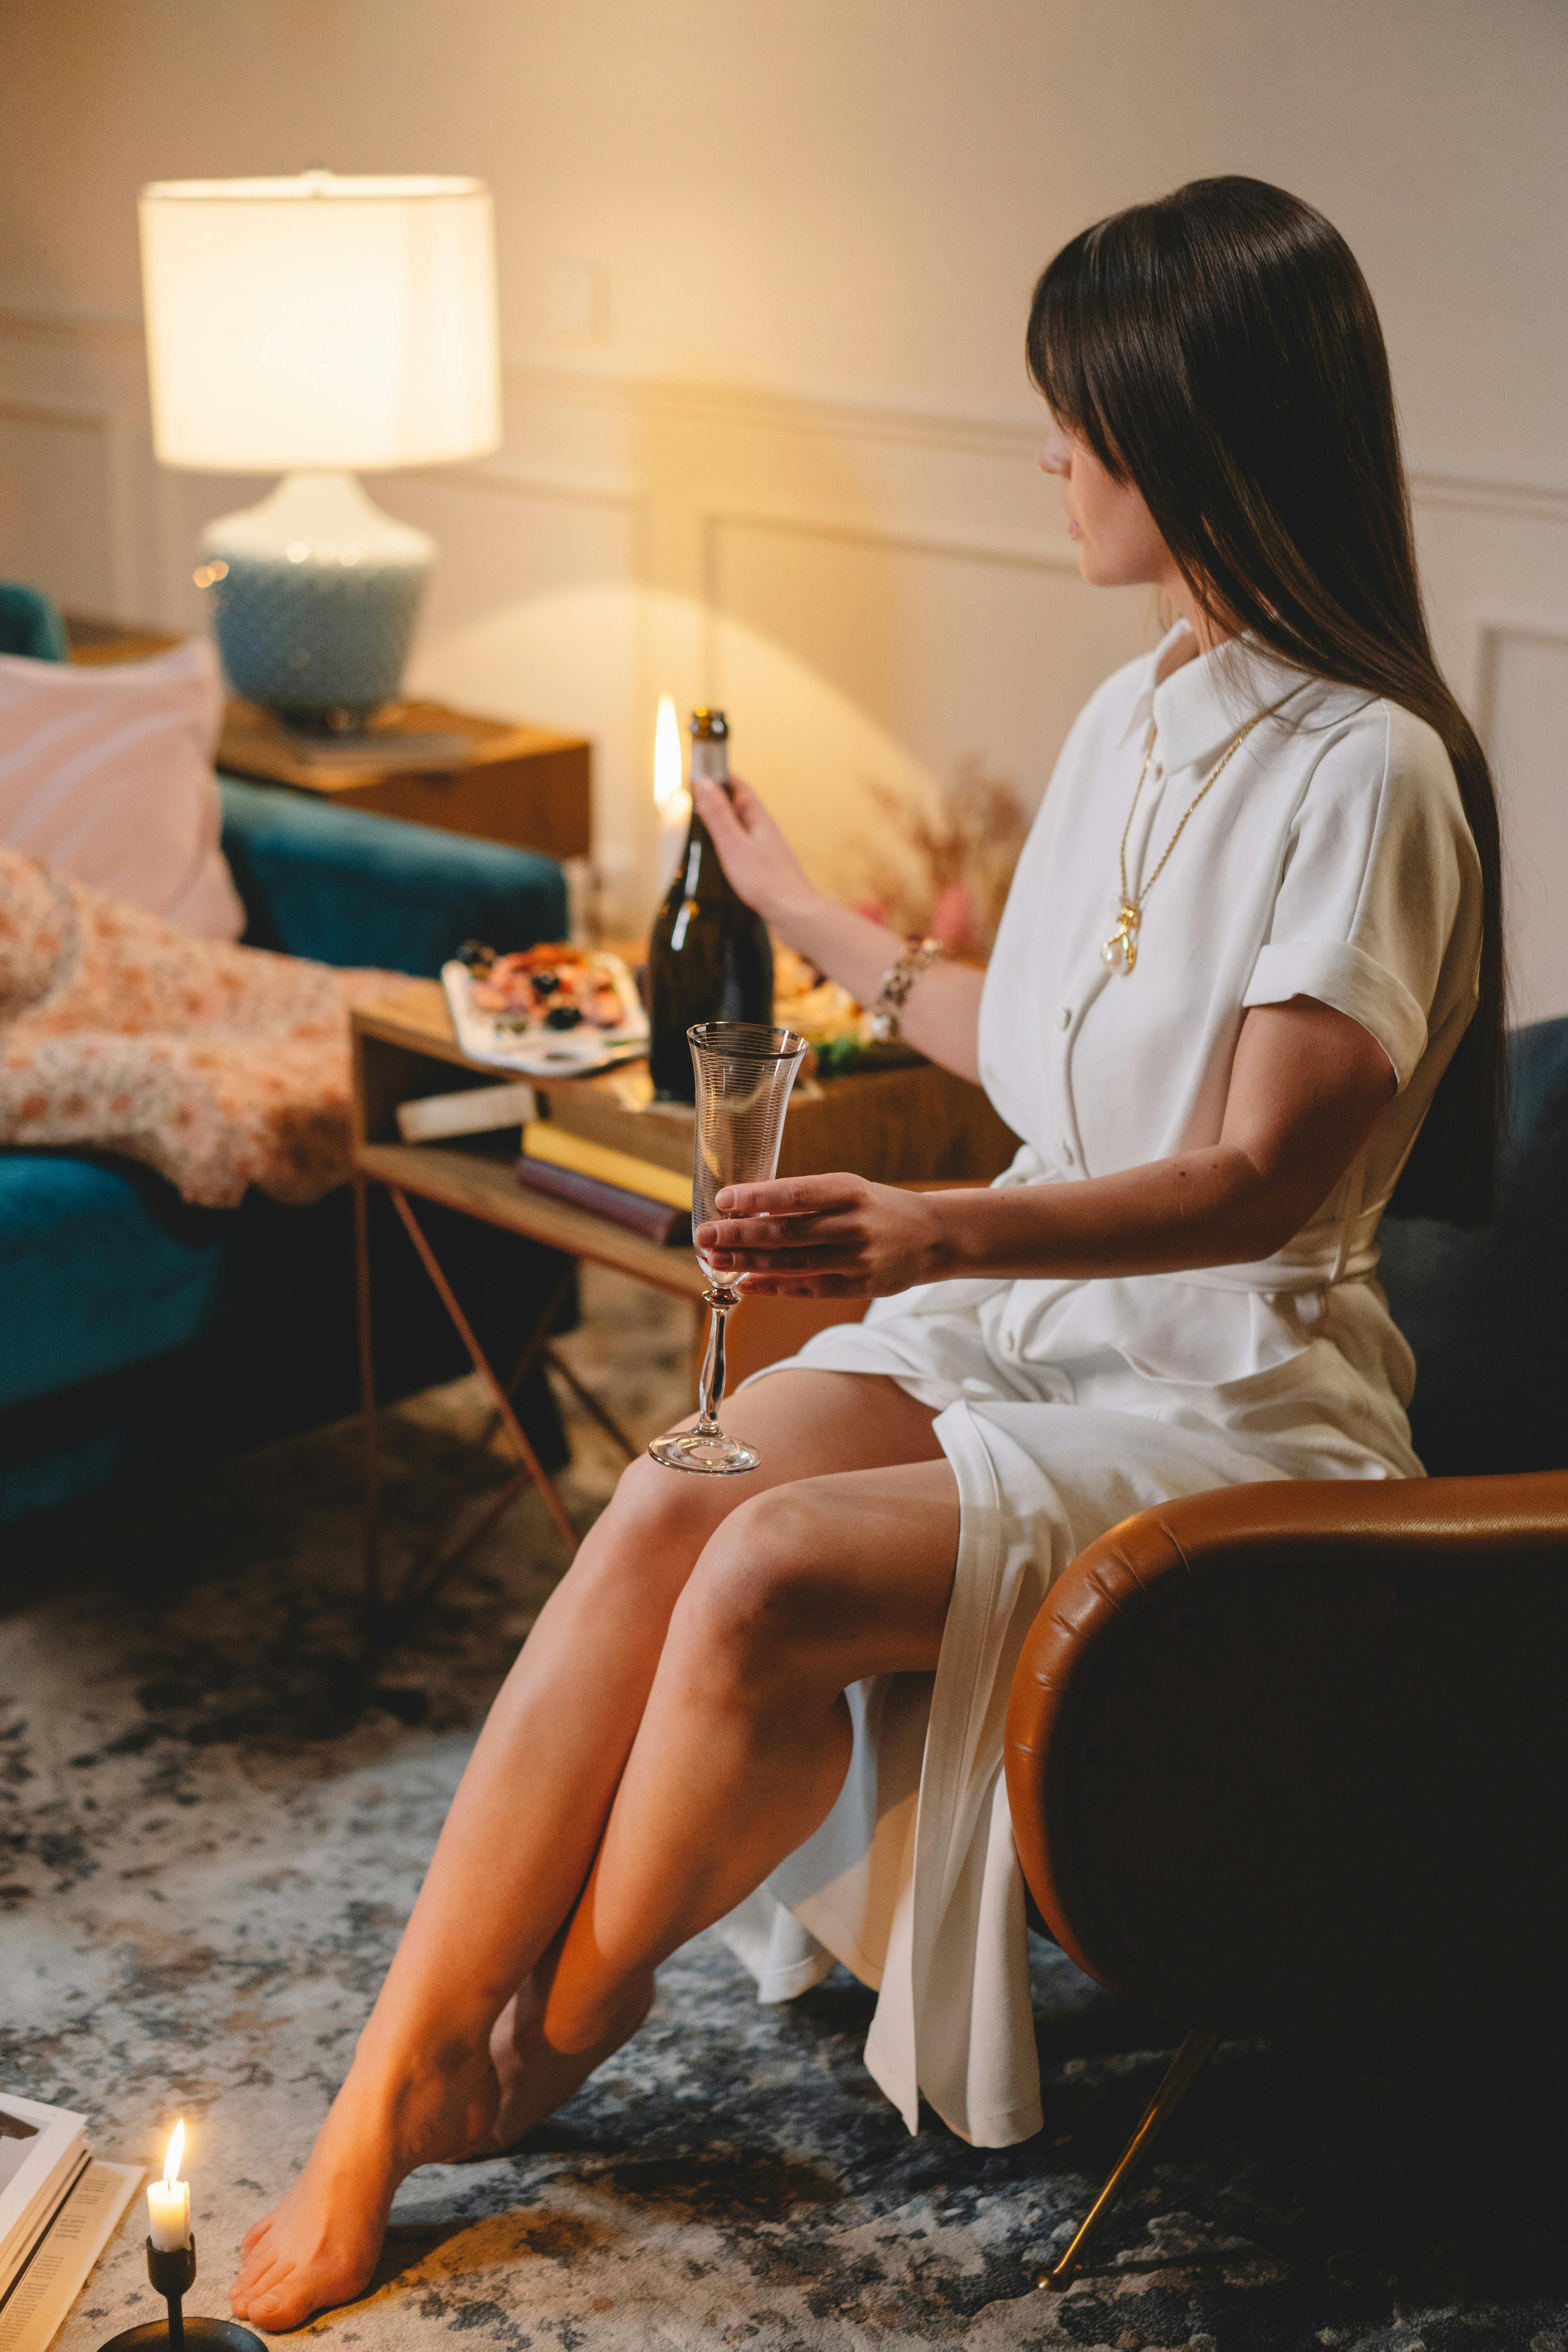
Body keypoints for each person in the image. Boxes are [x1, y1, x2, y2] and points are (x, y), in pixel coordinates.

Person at [230, 175, 1501, 2330]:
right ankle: (393, 2078)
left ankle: (552, 2031)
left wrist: (933, 1219)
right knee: (683, 1483)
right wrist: (813, 915)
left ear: (1196, 438)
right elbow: (1031, 1032)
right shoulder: (1143, 711)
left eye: (1079, 423)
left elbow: (1254, 1182)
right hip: (1046, 1321)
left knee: (767, 1579)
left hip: (1238, 1387)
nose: (1051, 459)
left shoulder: (1373, 774)